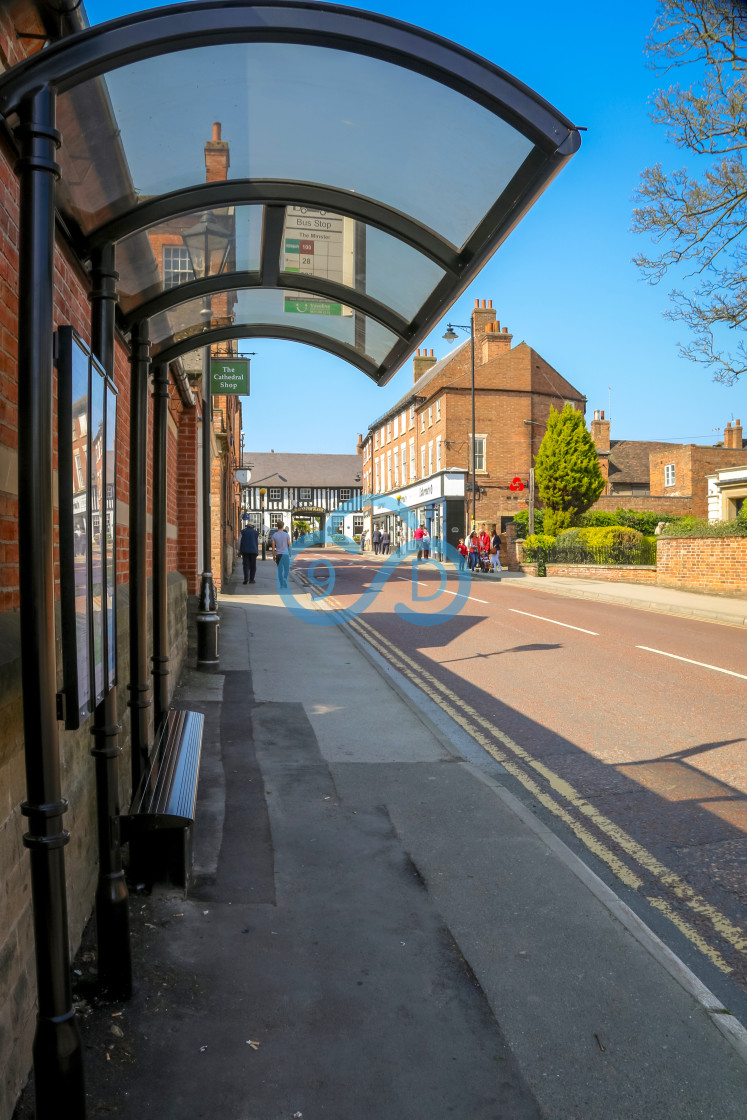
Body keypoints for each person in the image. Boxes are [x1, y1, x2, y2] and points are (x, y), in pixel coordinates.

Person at [272, 522, 292, 588]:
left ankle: (281, 584)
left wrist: (273, 555)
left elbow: (273, 547)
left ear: (277, 526)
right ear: (283, 526)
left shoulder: (274, 535)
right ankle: (285, 579)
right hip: (285, 555)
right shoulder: (286, 535)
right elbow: (289, 544)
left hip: (278, 555)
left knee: (280, 570)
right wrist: (290, 552)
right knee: (286, 569)